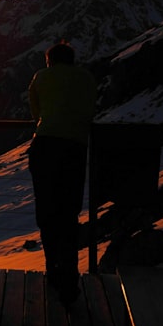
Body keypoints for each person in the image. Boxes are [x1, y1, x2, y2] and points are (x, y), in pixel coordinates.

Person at [27, 40, 97, 305]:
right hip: (74, 149)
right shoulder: (87, 78)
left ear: (50, 61)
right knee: (68, 213)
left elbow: (36, 113)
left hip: (44, 147)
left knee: (46, 212)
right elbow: (90, 110)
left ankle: (52, 270)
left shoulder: (41, 77)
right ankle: (70, 275)